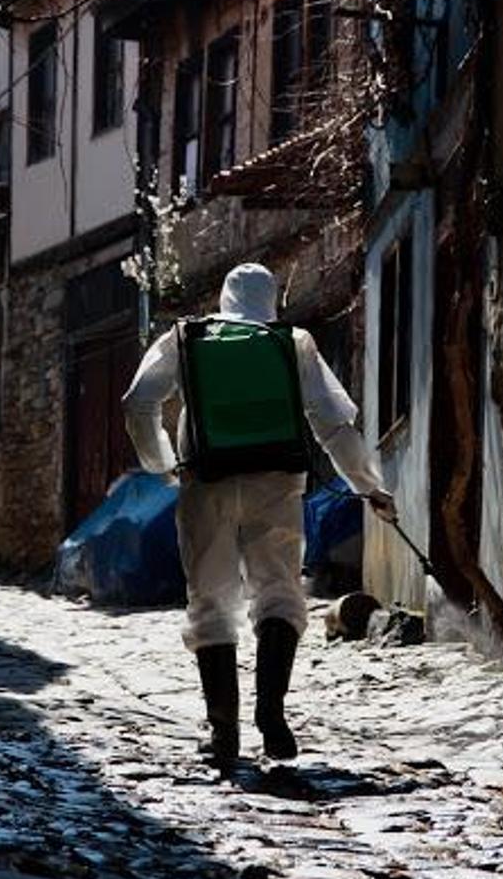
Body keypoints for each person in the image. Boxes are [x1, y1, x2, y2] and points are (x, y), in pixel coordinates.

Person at [122, 262, 395, 763]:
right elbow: (333, 426)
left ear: (224, 300)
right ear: (271, 301)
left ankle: (223, 730)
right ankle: (271, 712)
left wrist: (161, 464)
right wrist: (368, 488)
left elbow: (138, 401)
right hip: (276, 481)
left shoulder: (187, 339)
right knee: (280, 593)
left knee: (210, 599)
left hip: (205, 483)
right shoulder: (293, 343)